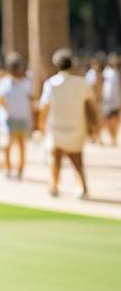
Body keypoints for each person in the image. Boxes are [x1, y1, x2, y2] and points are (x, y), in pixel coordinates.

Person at [39, 48, 97, 199]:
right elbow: (90, 104)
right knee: (77, 159)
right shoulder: (81, 83)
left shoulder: (51, 84)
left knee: (56, 159)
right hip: (77, 126)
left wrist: (40, 125)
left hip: (56, 127)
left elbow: (44, 108)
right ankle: (82, 187)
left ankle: (54, 185)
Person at [0, 53, 32, 180]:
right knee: (8, 144)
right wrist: (6, 110)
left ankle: (20, 170)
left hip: (23, 117)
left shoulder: (26, 82)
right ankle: (8, 168)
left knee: (21, 144)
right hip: (9, 118)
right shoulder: (5, 82)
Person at [102, 52, 120, 146]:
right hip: (107, 100)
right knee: (109, 119)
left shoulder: (118, 72)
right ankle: (111, 136)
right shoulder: (105, 72)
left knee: (115, 119)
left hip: (116, 100)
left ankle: (114, 137)